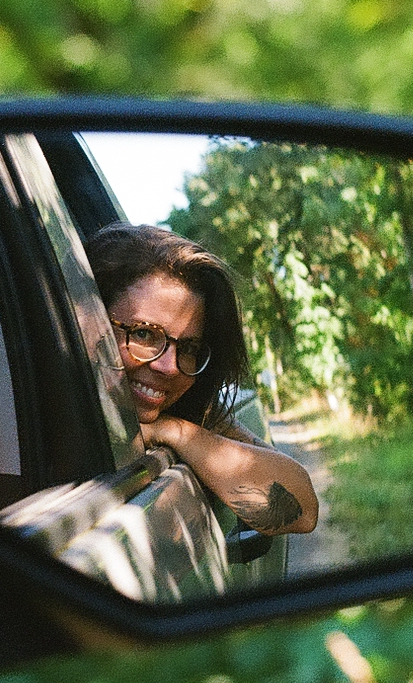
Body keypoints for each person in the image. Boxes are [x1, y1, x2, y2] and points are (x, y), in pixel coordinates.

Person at [85, 223, 318, 536]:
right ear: (88, 323)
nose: (170, 367)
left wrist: (176, 432)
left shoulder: (191, 413)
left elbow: (303, 510)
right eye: (143, 334)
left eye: (189, 348)